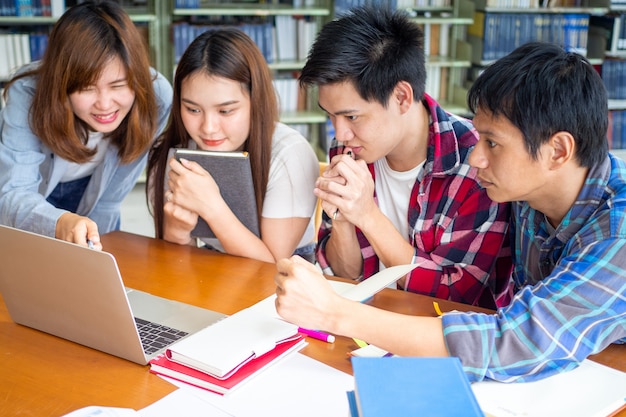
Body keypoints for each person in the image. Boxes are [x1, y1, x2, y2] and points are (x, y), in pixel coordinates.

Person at [275, 41, 626, 383]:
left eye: (492, 143)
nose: (475, 158)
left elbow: (517, 340)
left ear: (558, 151)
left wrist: (334, 313)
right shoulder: (527, 193)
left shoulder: (617, 231)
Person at [298, 6, 511, 308]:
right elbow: (345, 277)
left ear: (401, 97)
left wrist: (368, 216)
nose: (340, 133)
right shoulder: (348, 147)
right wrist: (343, 220)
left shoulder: (477, 163)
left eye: (352, 116)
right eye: (331, 116)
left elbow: (454, 299)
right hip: (367, 324)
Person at [0, 0, 172, 250]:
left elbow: (109, 199)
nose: (104, 105)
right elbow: (13, 195)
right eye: (86, 88)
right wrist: (58, 222)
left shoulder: (156, 97)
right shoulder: (28, 93)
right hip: (31, 195)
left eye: (118, 86)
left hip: (94, 189)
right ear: (63, 84)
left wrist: (96, 253)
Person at [146, 28, 319, 263]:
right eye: (193, 109)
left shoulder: (289, 154)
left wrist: (211, 206)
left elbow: (271, 266)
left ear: (255, 101)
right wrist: (177, 229)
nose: (208, 128)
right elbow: (175, 265)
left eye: (225, 111)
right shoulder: (174, 151)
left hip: (282, 281)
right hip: (207, 272)